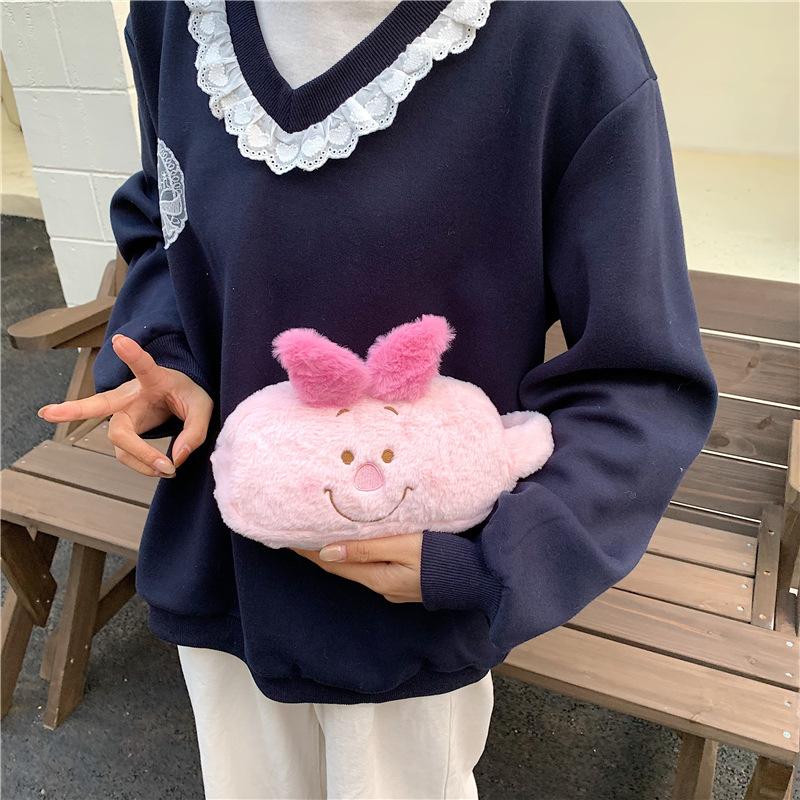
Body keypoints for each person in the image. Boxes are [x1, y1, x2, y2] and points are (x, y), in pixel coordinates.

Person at [37, 0, 719, 797]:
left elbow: (641, 376)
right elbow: (163, 216)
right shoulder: (175, 17)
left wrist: (492, 565)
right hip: (222, 560)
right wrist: (165, 352)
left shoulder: (558, 34)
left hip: (410, 606)